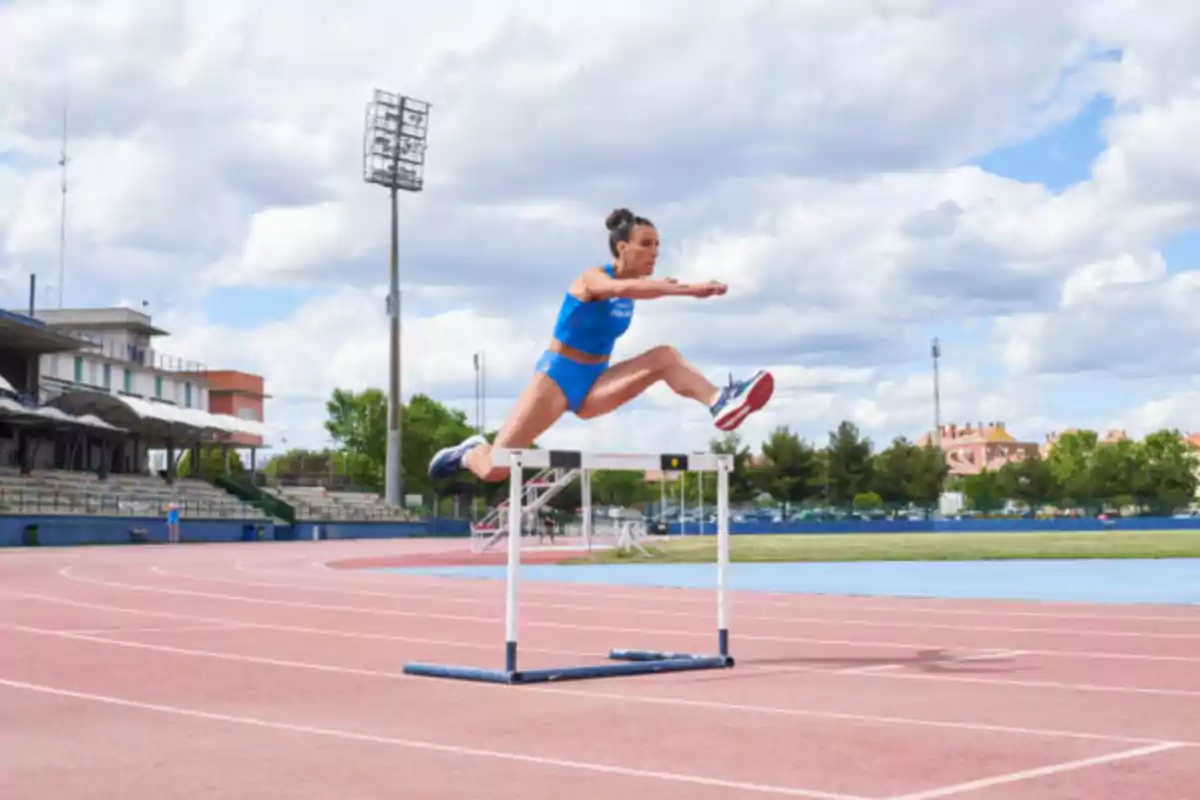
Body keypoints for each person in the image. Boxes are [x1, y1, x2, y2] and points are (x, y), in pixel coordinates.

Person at [429, 207, 774, 482]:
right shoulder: (592, 277)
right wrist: (684, 289)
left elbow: (641, 288)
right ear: (622, 246)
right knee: (496, 469)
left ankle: (719, 401)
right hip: (557, 378)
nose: (654, 252)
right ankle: (469, 451)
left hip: (597, 380)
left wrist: (673, 286)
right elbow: (618, 290)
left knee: (664, 357)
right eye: (646, 243)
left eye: (657, 245)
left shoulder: (642, 285)